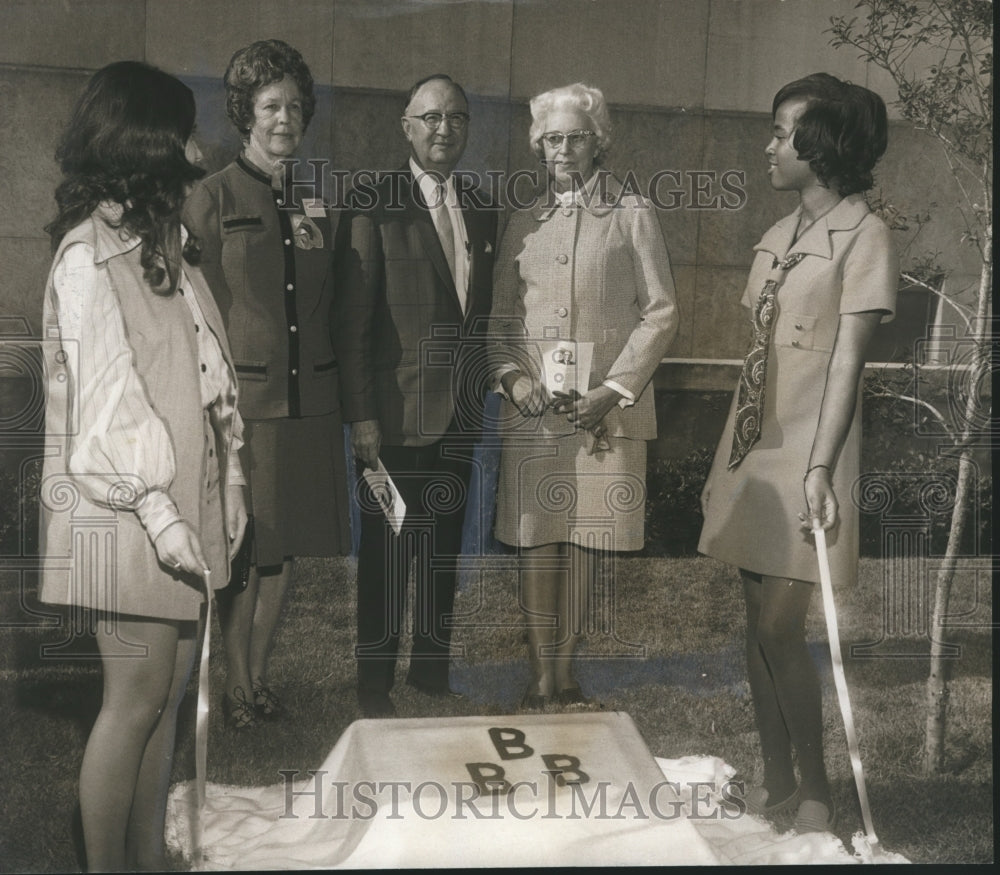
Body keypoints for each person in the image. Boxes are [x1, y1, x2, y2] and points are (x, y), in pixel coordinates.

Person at [38, 61, 247, 870]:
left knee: (167, 698)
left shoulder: (163, 244)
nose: (199, 149)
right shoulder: (88, 258)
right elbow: (106, 413)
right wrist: (161, 513)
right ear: (149, 142)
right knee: (132, 702)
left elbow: (203, 370)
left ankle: (147, 858)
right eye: (186, 131)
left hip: (175, 504)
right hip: (126, 511)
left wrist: (228, 480)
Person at [698, 73, 898, 833]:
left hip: (814, 448)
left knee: (782, 623)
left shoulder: (864, 233)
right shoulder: (780, 235)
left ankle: (816, 792)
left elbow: (847, 363)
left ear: (823, 146)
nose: (770, 146)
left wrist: (820, 466)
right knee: (755, 623)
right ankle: (776, 781)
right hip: (756, 441)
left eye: (783, 132)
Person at [489, 83, 678, 708]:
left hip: (606, 413)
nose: (563, 149)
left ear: (599, 141)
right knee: (538, 535)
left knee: (589, 539)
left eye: (575, 137)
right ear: (538, 147)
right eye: (551, 139)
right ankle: (542, 676)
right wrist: (515, 380)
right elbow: (500, 323)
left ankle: (566, 674)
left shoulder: (632, 213)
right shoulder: (523, 219)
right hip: (536, 414)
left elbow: (661, 313)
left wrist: (614, 389)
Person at [183, 39, 352, 729]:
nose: (285, 118)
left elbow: (328, 300)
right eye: (270, 106)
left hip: (307, 404)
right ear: (245, 114)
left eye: (295, 106)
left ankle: (257, 676)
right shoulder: (211, 196)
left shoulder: (314, 198)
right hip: (244, 406)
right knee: (248, 547)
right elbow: (192, 309)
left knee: (283, 550)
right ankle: (238, 682)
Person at [333, 73, 498, 718]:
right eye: (430, 117)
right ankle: (373, 686)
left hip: (458, 415)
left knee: (440, 549)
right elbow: (353, 324)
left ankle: (431, 672)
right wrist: (362, 416)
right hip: (393, 419)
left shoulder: (481, 207)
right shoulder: (374, 203)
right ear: (407, 127)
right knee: (386, 553)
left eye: (456, 117)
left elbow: (477, 319)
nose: (443, 129)